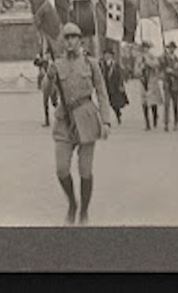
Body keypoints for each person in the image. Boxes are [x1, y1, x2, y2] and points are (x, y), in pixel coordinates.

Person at [42, 22, 112, 225]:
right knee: (61, 169)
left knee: (85, 170)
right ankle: (72, 204)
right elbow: (46, 93)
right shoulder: (57, 64)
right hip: (64, 121)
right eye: (67, 38)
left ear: (80, 40)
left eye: (74, 37)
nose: (70, 41)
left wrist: (106, 121)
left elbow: (102, 92)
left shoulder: (91, 63)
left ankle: (84, 212)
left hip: (87, 119)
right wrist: (49, 75)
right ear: (63, 42)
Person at [135, 40, 162, 130]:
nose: (145, 49)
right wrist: (140, 69)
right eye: (143, 48)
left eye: (146, 48)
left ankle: (155, 118)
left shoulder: (152, 56)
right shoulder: (138, 58)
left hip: (151, 81)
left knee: (153, 102)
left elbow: (156, 64)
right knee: (144, 102)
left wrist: (147, 62)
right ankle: (147, 122)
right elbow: (136, 71)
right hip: (143, 82)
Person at [100, 48, 129, 125]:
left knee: (115, 103)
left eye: (108, 54)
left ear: (111, 56)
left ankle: (118, 114)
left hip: (115, 86)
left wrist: (121, 84)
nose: (107, 56)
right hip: (106, 86)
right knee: (106, 103)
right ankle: (106, 120)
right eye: (105, 54)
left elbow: (120, 75)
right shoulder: (102, 64)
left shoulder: (115, 65)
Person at [159, 41, 178, 132]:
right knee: (166, 104)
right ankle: (166, 123)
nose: (171, 50)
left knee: (175, 105)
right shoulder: (164, 59)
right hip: (167, 84)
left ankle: (176, 122)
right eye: (169, 48)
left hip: (175, 85)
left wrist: (172, 71)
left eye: (172, 48)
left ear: (174, 49)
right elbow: (159, 67)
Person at [34, 49, 58, 126]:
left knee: (54, 103)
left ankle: (60, 118)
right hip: (45, 85)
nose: (47, 56)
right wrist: (37, 58)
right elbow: (36, 63)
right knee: (45, 103)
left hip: (53, 84)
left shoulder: (54, 63)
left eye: (48, 54)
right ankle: (47, 120)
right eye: (46, 54)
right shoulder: (44, 62)